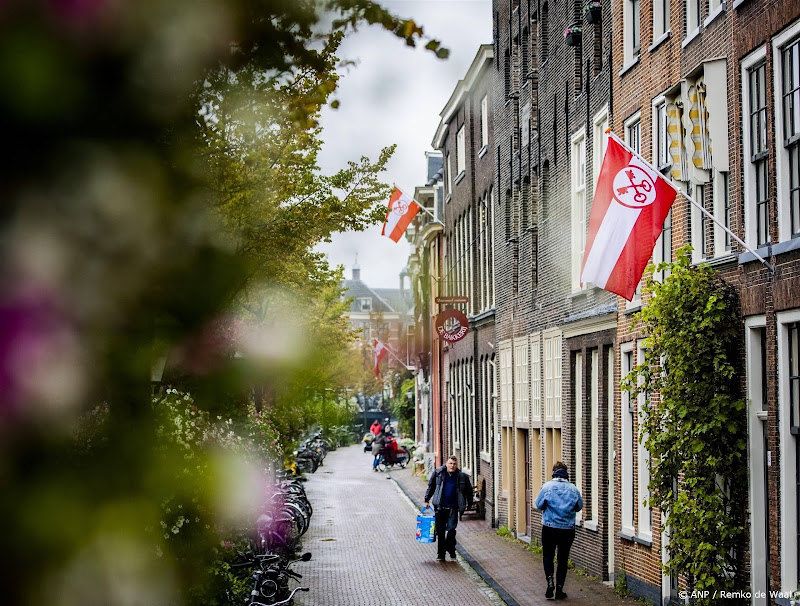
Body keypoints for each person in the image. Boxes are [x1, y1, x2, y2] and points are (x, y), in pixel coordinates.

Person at [534, 462, 583, 600]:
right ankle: (560, 589)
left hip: (549, 528)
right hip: (567, 529)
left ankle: (550, 581)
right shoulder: (573, 489)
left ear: (553, 472)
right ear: (566, 473)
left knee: (548, 556)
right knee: (563, 559)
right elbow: (579, 506)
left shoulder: (547, 486)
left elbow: (538, 504)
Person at [423, 455, 473, 561]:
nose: (452, 466)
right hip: (440, 507)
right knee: (440, 532)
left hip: (453, 508)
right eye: (450, 463)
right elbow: (431, 486)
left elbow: (469, 491)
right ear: (446, 464)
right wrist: (426, 500)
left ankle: (450, 548)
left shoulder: (462, 476)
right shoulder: (438, 473)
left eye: (454, 464)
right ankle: (441, 554)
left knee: (451, 530)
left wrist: (469, 502)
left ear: (457, 465)